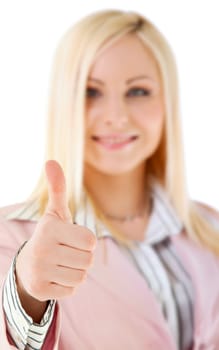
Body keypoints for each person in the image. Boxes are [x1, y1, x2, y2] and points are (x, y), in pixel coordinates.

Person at [0, 8, 219, 350]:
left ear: (167, 103)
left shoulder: (211, 227)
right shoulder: (10, 237)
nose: (116, 117)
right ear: (63, 104)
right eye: (91, 92)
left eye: (138, 91)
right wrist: (26, 292)